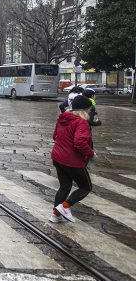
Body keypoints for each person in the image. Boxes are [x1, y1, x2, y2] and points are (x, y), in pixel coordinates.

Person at [49, 95, 95, 223]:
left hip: (58, 157)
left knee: (64, 187)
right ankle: (64, 207)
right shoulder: (81, 122)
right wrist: (91, 154)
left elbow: (55, 136)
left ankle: (55, 215)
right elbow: (80, 142)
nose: (90, 111)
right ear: (84, 109)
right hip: (72, 161)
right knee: (86, 187)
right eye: (89, 109)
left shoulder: (62, 118)